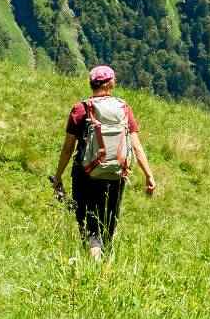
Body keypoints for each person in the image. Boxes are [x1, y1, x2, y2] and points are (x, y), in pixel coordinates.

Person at [52, 64, 159, 259]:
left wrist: (58, 176)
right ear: (112, 83)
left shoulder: (80, 109)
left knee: (90, 228)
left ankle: (94, 267)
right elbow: (136, 146)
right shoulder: (124, 108)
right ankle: (107, 266)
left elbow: (68, 148)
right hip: (116, 176)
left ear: (91, 84)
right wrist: (149, 176)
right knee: (109, 225)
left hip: (85, 175)